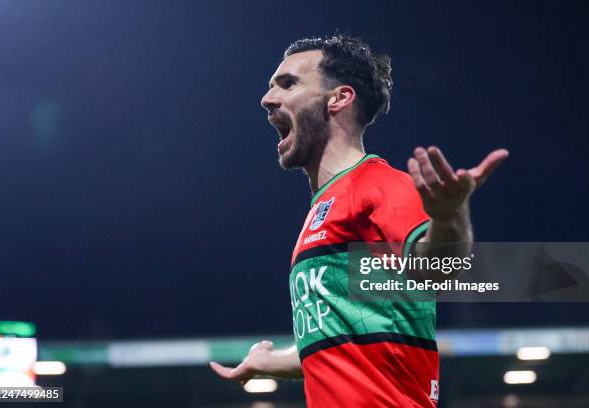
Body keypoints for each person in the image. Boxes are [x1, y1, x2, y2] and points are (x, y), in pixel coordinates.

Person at [210, 35, 508, 407]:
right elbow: (348, 335)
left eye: (288, 84)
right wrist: (270, 361)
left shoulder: (379, 186)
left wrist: (449, 217)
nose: (267, 99)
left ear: (339, 98)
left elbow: (439, 268)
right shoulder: (326, 208)